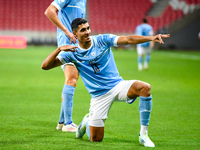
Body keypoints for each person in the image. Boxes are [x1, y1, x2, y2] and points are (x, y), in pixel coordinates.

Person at [41, 18, 170, 147]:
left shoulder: (102, 40)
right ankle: (87, 121)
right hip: (99, 96)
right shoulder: (72, 53)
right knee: (96, 139)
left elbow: (129, 39)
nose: (87, 32)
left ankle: (143, 134)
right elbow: (45, 66)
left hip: (117, 86)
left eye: (88, 28)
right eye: (83, 30)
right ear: (74, 34)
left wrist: (151, 38)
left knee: (145, 88)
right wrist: (59, 50)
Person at [44, 0, 87, 132]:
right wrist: (67, 32)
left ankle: (62, 122)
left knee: (73, 79)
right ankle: (68, 123)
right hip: (67, 45)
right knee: (71, 79)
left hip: (77, 46)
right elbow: (49, 11)